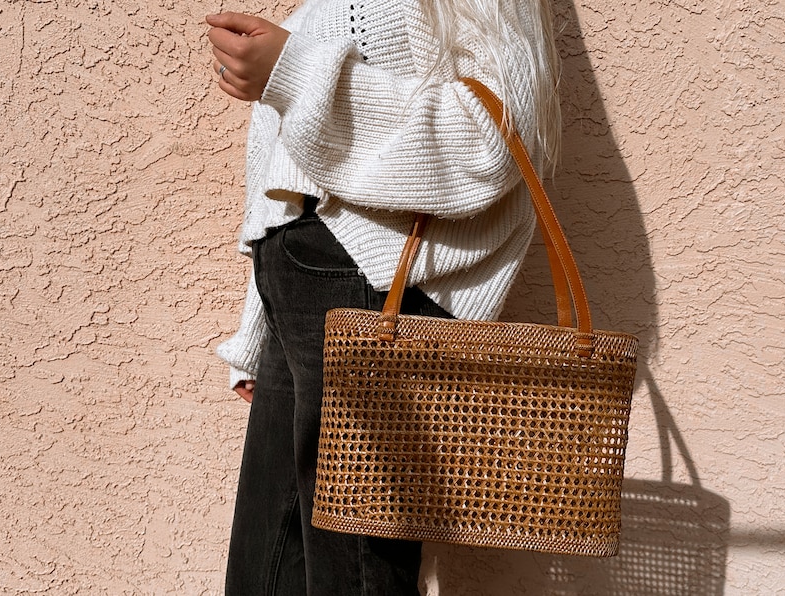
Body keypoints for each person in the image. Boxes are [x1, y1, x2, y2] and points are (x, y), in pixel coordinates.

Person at [206, 0, 561, 594]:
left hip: (373, 289)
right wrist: (257, 332)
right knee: (262, 573)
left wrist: (292, 71)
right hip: (301, 294)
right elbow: (287, 186)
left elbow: (493, 137)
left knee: (357, 576)